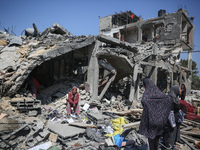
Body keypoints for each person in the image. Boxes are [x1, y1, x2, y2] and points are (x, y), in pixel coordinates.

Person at [139, 78, 172, 150]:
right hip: (160, 121)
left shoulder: (147, 94)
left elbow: (143, 101)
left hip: (151, 122)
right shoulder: (160, 94)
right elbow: (169, 99)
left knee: (151, 141)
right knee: (157, 139)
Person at [162, 85, 181, 150]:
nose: (181, 90)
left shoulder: (175, 98)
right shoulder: (170, 99)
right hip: (169, 123)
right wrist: (173, 124)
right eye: (179, 89)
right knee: (168, 138)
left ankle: (170, 146)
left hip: (174, 122)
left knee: (172, 138)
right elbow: (170, 113)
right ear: (175, 90)